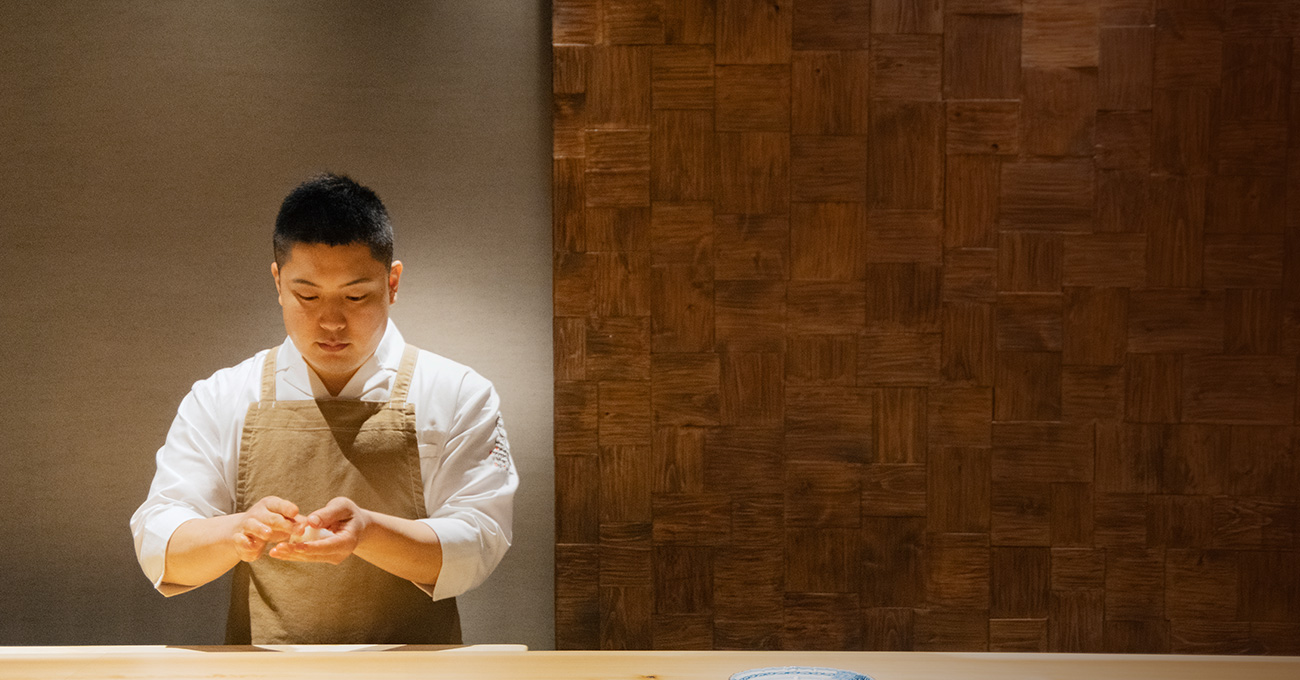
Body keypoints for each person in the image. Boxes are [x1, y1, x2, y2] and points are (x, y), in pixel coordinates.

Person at [130, 173, 516, 645]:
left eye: (356, 296)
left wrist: (369, 531)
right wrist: (236, 531)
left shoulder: (458, 393)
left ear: (392, 282)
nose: (331, 321)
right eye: (306, 295)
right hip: (264, 673)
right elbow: (160, 542)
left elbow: (480, 541)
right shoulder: (223, 395)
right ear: (277, 281)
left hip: (416, 671)